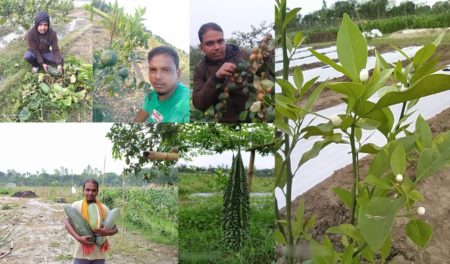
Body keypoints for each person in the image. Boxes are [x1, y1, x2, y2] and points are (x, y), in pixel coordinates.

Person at [192, 22, 248, 123]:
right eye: (210, 43)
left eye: (220, 41)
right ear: (202, 47)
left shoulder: (243, 56)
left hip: (253, 117)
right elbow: (199, 104)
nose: (217, 47)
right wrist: (216, 78)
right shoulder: (200, 69)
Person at [64, 179, 118, 264]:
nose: (90, 193)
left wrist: (106, 232)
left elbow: (115, 229)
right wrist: (78, 238)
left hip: (99, 255)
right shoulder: (76, 206)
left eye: (93, 190)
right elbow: (67, 223)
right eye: (87, 190)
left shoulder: (104, 208)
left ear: (97, 191)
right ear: (83, 190)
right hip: (81, 254)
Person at [134, 46, 190, 123]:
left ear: (178, 74)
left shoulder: (187, 105)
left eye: (166, 70)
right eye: (153, 70)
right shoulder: (151, 96)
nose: (157, 77)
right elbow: (138, 120)